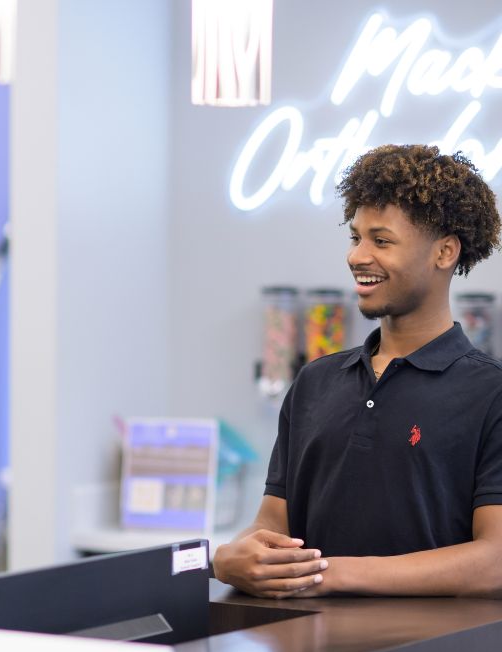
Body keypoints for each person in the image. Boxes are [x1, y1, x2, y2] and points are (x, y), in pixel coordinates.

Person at [213, 144, 502, 598]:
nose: (357, 256)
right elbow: (272, 522)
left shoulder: (491, 393)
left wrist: (323, 573)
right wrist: (234, 555)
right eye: (356, 237)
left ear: (444, 252)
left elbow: (494, 561)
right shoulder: (314, 382)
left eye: (381, 241)